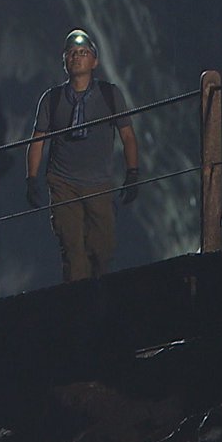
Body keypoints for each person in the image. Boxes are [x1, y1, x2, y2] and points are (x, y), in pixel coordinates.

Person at [26, 29, 140, 282]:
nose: (77, 57)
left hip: (99, 183)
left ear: (94, 61)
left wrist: (132, 173)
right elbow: (38, 140)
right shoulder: (52, 100)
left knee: (103, 249)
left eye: (83, 53)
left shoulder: (110, 95)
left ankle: (100, 298)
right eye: (72, 54)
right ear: (65, 62)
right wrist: (31, 178)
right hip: (63, 183)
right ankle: (79, 306)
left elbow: (128, 136)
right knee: (73, 250)